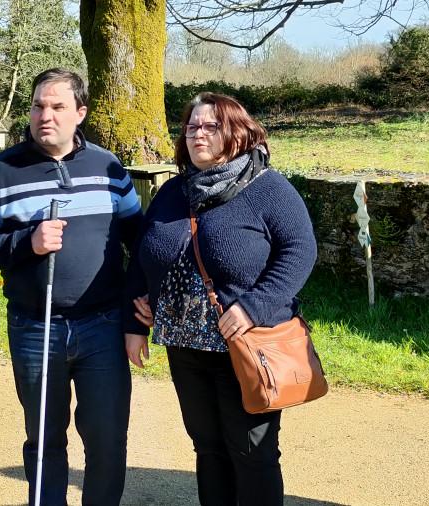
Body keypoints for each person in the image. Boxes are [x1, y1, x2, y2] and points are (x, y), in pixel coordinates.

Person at [0, 68, 142, 506]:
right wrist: (28, 241)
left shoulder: (108, 167)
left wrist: (140, 308)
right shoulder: (2, 169)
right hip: (35, 328)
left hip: (103, 326)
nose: (46, 116)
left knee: (107, 438)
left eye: (58, 107)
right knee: (44, 439)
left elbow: (140, 240)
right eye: (39, 105)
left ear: (80, 112)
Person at [124, 92, 317, 505]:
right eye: (192, 126)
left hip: (245, 346)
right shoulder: (173, 191)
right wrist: (135, 321)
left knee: (252, 452)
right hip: (185, 346)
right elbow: (143, 253)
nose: (198, 134)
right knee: (207, 449)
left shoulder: (268, 189)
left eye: (210, 126)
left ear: (236, 132)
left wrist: (253, 306)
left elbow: (300, 251)